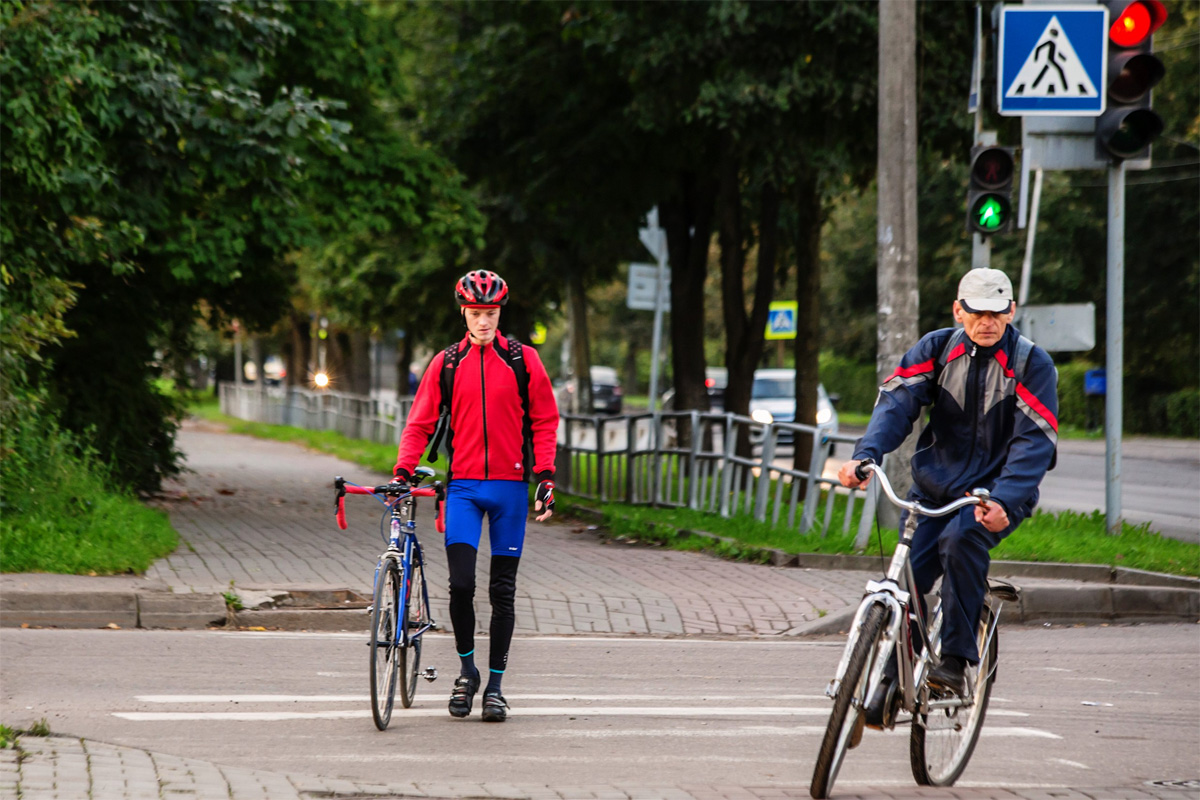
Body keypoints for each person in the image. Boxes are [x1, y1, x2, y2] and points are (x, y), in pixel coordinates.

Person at [838, 268, 1058, 716]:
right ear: (959, 310)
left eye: (997, 312)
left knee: (960, 541)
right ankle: (891, 677)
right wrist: (866, 455)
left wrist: (1004, 499)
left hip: (993, 495)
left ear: (1011, 311)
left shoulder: (1031, 365)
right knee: (910, 583)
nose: (987, 322)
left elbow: (1034, 442)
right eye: (976, 312)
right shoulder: (937, 349)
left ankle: (956, 662)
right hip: (932, 489)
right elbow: (897, 406)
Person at [393, 270, 559, 722]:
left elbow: (545, 419)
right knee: (462, 585)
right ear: (464, 313)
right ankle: (467, 673)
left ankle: (497, 687)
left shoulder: (524, 360)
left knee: (501, 591)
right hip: (463, 487)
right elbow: (420, 422)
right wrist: (404, 469)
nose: (484, 321)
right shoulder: (446, 363)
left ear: (499, 313)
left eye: (491, 313)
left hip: (510, 487)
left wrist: (546, 474)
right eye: (476, 313)